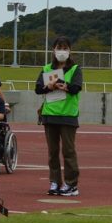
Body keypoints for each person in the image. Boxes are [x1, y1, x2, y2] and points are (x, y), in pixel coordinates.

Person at [35, 36, 82, 196]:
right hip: (50, 115)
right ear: (53, 50)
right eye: (58, 48)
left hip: (68, 115)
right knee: (52, 151)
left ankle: (71, 184)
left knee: (68, 151)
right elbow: (38, 88)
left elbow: (76, 88)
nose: (61, 51)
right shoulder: (47, 68)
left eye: (65, 48)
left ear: (70, 51)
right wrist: (49, 86)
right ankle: (55, 182)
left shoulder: (75, 69)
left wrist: (64, 85)